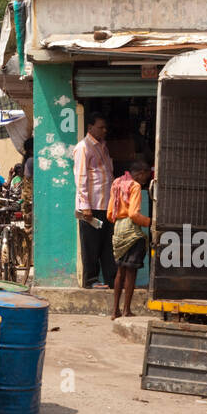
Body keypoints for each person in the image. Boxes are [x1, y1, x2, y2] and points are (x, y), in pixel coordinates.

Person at [73, 112, 115, 289]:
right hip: (91, 206)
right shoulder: (83, 147)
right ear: (90, 128)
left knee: (107, 244)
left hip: (106, 205)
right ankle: (91, 281)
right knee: (91, 245)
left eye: (105, 127)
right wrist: (85, 206)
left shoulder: (103, 146)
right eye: (101, 127)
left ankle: (111, 279)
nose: (104, 130)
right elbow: (81, 176)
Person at [107, 158, 152, 320]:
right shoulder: (135, 186)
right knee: (131, 272)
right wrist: (149, 222)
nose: (146, 180)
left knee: (120, 271)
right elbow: (133, 214)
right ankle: (126, 309)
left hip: (117, 229)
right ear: (140, 174)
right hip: (131, 230)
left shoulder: (117, 183)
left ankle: (115, 311)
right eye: (146, 176)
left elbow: (110, 213)